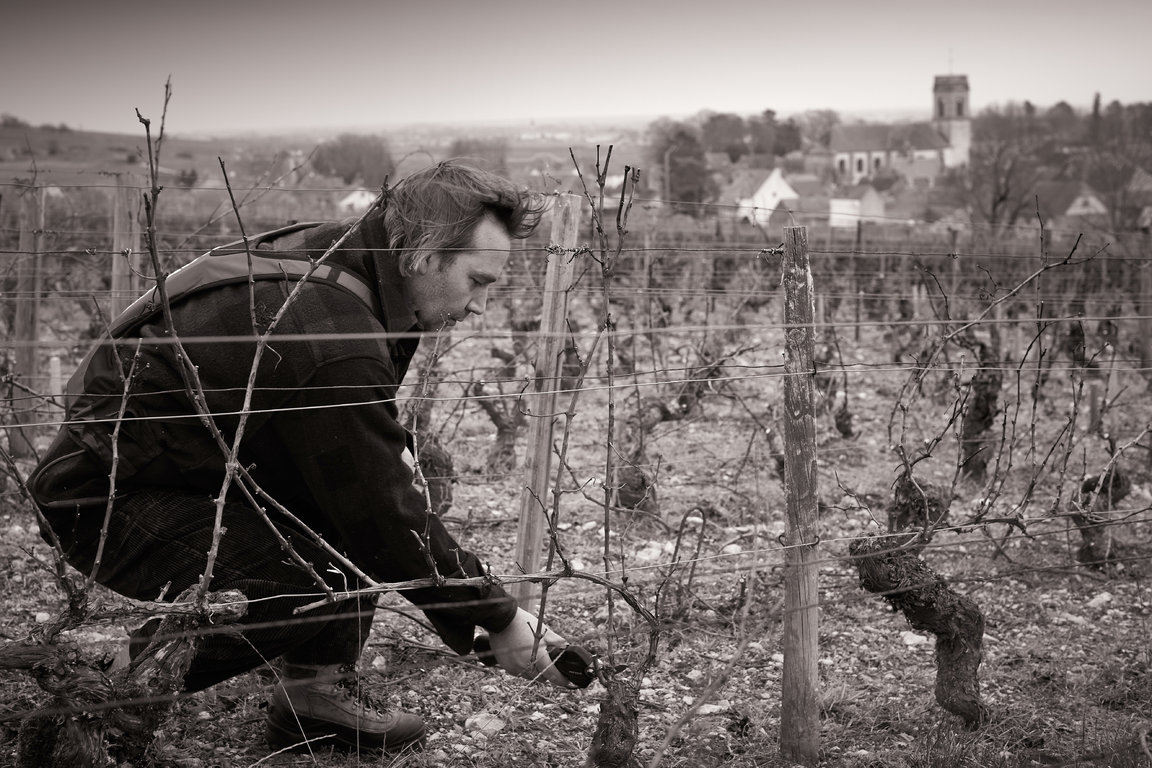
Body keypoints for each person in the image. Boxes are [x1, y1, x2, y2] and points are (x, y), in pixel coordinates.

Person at [28, 160, 574, 754]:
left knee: (342, 514)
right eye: (479, 282)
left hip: (189, 470)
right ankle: (107, 691)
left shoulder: (360, 265)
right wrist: (498, 617)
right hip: (105, 495)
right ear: (424, 254)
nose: (479, 308)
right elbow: (379, 509)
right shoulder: (329, 331)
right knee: (312, 581)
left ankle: (317, 695)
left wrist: (472, 603)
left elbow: (356, 470)